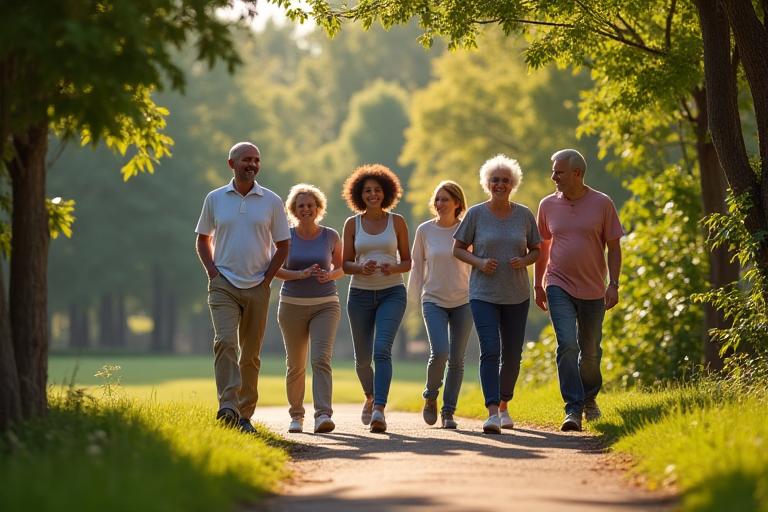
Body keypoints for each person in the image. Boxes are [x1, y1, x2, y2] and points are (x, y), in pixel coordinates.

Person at [195, 142, 291, 434]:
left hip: (258, 286)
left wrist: (267, 279)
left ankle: (245, 415)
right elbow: (202, 239)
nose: (252, 165)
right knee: (225, 342)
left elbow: (284, 245)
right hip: (223, 284)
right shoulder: (215, 198)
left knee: (250, 354)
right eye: (246, 160)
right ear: (232, 164)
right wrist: (212, 272)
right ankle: (227, 406)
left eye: (256, 160)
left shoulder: (272, 201)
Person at [534, 148, 624, 432]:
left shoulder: (602, 203)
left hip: (594, 289)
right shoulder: (547, 205)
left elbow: (614, 246)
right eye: (553, 171)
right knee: (567, 345)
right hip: (558, 283)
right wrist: (538, 284)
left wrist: (614, 284)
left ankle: (589, 400)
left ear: (577, 173)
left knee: (591, 351)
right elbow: (542, 247)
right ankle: (572, 409)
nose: (553, 177)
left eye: (558, 172)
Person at [453, 155, 541, 435]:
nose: (500, 184)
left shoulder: (525, 214)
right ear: (487, 183)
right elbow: (457, 248)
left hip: (516, 294)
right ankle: (492, 412)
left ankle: (504, 406)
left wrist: (525, 261)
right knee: (490, 350)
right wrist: (479, 262)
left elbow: (537, 249)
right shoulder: (476, 214)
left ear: (512, 184)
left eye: (505, 180)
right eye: (495, 180)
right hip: (483, 293)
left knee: (513, 355)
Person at [342, 164, 411, 433]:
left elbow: (407, 262)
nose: (373, 194)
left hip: (392, 292)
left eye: (378, 190)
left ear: (387, 193)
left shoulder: (397, 222)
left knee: (381, 350)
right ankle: (369, 396)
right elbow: (345, 264)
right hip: (359, 294)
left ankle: (380, 409)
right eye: (368, 190)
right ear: (360, 194)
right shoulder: (352, 223)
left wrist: (393, 267)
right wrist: (361, 268)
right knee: (362, 359)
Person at [276, 184, 344, 434]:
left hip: (325, 304)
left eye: (310, 205)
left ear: (318, 208)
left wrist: (330, 275)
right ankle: (296, 416)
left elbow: (342, 266)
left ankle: (323, 414)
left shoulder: (331, 236)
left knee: (320, 360)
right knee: (296, 364)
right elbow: (275, 269)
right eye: (301, 205)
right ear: (294, 209)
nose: (306, 209)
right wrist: (299, 274)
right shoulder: (285, 237)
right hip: (291, 305)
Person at [408, 181, 473, 429]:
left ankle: (448, 412)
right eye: (437, 199)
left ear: (457, 203)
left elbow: (474, 264)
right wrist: (412, 299)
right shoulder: (425, 230)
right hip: (433, 299)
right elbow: (417, 266)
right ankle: (431, 394)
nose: (439, 204)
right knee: (441, 351)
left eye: (445, 199)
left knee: (457, 359)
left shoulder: (467, 229)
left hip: (464, 300)